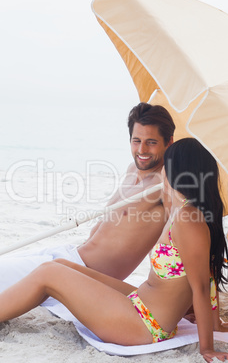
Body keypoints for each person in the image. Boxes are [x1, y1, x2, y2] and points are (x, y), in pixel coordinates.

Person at [0, 138, 228, 362]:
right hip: (141, 303)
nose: (162, 170)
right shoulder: (182, 211)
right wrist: (214, 323)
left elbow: (201, 285)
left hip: (144, 323)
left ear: (177, 170)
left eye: (166, 164)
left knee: (47, 273)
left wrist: (207, 348)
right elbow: (207, 274)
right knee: (62, 265)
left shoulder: (189, 219)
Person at [0, 102, 175, 290]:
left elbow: (174, 241)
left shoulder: (166, 183)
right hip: (70, 255)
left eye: (152, 142)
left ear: (169, 142)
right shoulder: (132, 169)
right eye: (136, 140)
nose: (141, 150)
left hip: (85, 274)